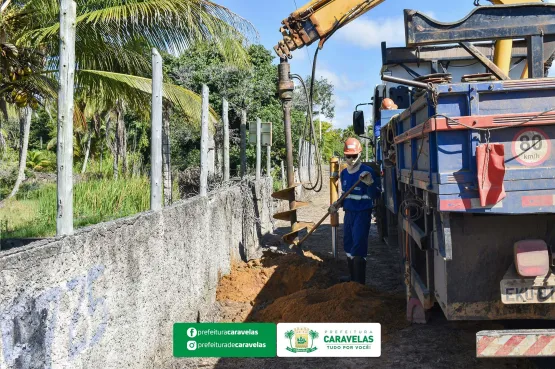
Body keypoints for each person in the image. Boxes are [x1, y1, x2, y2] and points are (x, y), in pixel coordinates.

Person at [329, 138, 381, 284]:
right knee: (348, 243)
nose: (351, 160)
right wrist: (337, 204)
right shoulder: (344, 174)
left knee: (358, 244)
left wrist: (370, 183)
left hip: (362, 213)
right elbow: (346, 194)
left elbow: (375, 195)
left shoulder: (367, 172)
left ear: (360, 154)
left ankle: (359, 284)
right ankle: (352, 279)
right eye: (348, 156)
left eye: (354, 156)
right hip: (349, 213)